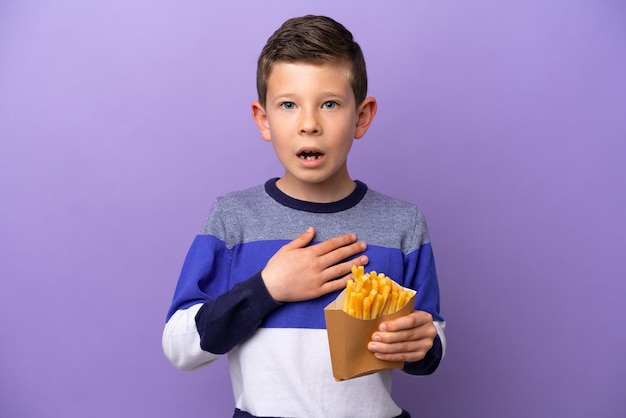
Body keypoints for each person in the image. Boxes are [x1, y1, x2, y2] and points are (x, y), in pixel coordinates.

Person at [162, 15, 445, 418]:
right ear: (264, 119)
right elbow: (179, 346)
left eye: (329, 104)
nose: (309, 124)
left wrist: (423, 344)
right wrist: (267, 288)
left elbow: (431, 337)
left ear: (361, 116)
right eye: (289, 105)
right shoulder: (233, 219)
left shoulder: (403, 223)